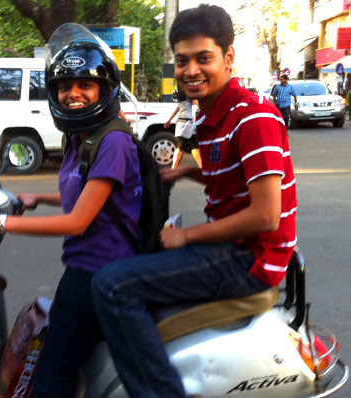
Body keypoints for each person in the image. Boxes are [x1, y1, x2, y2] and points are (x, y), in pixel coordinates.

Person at [91, 4, 297, 398]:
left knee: (111, 286)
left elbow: (266, 214)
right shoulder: (212, 114)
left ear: (229, 57)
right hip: (237, 248)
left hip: (247, 258)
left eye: (204, 58)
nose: (191, 71)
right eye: (182, 61)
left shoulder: (252, 118)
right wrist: (188, 172)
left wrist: (188, 237)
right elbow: (238, 176)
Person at [0, 25, 142, 398]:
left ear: (104, 91)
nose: (73, 93)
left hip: (97, 273)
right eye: (64, 86)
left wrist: (1, 223)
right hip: (87, 267)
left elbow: (79, 220)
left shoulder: (113, 141)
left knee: (50, 378)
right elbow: (91, 195)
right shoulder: (82, 138)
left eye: (84, 86)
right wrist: (39, 197)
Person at [164, 89, 202, 168]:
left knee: (195, 146)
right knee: (180, 146)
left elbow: (177, 109)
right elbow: (198, 105)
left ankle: (201, 166)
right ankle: (173, 167)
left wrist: (169, 120)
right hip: (186, 124)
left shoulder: (182, 96)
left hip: (184, 124)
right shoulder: (190, 96)